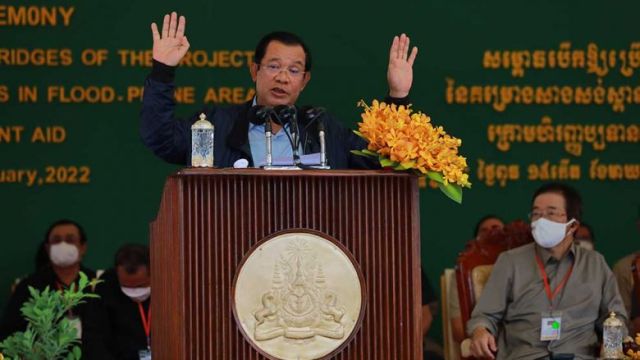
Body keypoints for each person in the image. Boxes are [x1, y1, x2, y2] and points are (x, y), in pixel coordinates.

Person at [140, 12, 418, 168]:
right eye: (274, 66)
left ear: (304, 81)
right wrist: (162, 70)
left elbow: (383, 161)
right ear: (254, 71)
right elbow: (160, 137)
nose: (283, 78)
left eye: (294, 70)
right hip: (230, 251)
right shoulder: (216, 125)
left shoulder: (324, 130)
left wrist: (398, 96)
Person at [467, 183, 626, 359]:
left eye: (551, 213)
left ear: (572, 226)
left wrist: (611, 350)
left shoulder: (595, 264)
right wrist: (480, 332)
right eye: (536, 214)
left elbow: (615, 316)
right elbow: (484, 315)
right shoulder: (510, 261)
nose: (541, 220)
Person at [0, 219, 96, 341]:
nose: (63, 245)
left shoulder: (98, 283)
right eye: (56, 240)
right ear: (47, 248)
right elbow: (9, 333)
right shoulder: (29, 286)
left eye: (70, 240)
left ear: (83, 247)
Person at [83, 244, 151, 360]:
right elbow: (94, 338)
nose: (134, 292)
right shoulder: (105, 286)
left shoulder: (168, 284)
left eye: (140, 285)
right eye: (126, 286)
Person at [448, 215, 505, 345]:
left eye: (496, 229)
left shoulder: (520, 265)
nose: (491, 234)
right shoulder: (463, 273)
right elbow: (458, 331)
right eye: (484, 231)